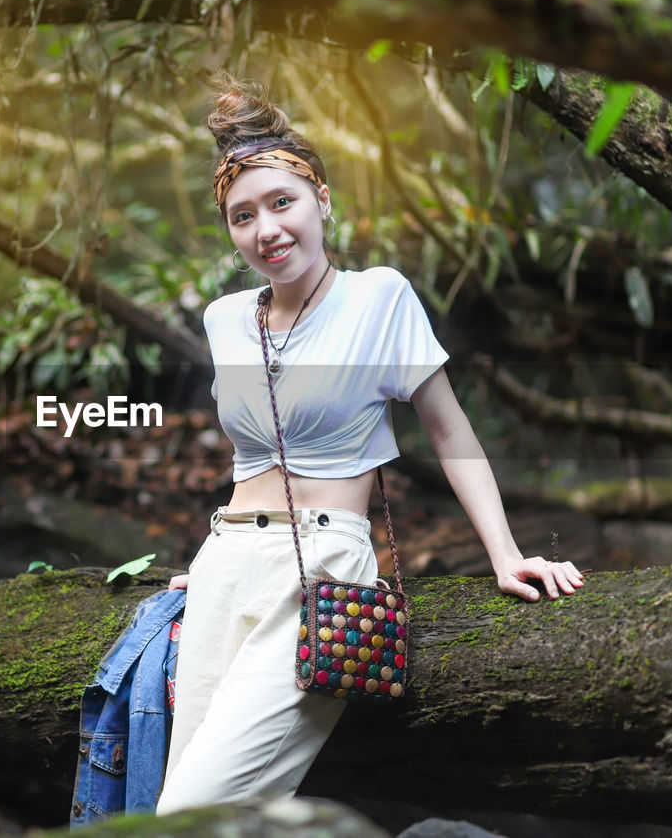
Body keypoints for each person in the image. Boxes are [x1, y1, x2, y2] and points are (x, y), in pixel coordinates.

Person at [153, 74, 584, 815]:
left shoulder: (379, 296)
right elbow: (253, 458)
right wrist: (224, 553)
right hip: (225, 566)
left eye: (281, 203)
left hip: (323, 570)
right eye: (242, 215)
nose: (267, 230)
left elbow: (450, 428)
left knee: (184, 815)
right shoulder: (226, 319)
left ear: (321, 199)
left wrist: (505, 553)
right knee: (184, 800)